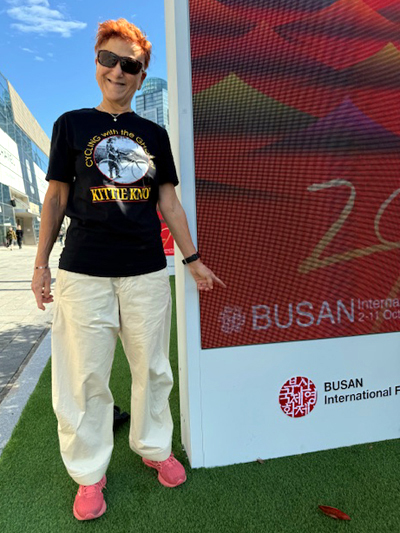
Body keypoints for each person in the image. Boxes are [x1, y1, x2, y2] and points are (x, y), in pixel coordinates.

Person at [31, 19, 226, 522]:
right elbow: (55, 198)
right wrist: (40, 265)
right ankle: (88, 473)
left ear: (141, 75)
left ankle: (154, 446)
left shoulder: (154, 135)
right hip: (84, 271)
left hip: (144, 270)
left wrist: (192, 260)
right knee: (83, 377)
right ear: (96, 63)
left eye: (130, 65)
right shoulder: (71, 125)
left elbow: (169, 203)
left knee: (153, 369)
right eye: (109, 60)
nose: (117, 71)